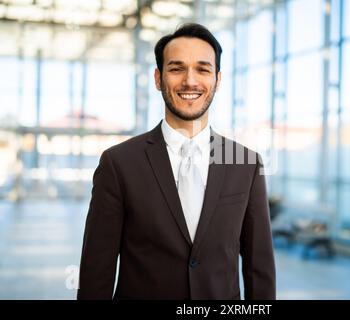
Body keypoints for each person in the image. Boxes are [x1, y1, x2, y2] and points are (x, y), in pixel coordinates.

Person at [77, 23, 276, 300]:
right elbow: (96, 272)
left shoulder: (246, 164)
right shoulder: (118, 164)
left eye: (203, 69)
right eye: (176, 68)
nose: (190, 81)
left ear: (217, 80)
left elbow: (260, 268)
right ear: (158, 78)